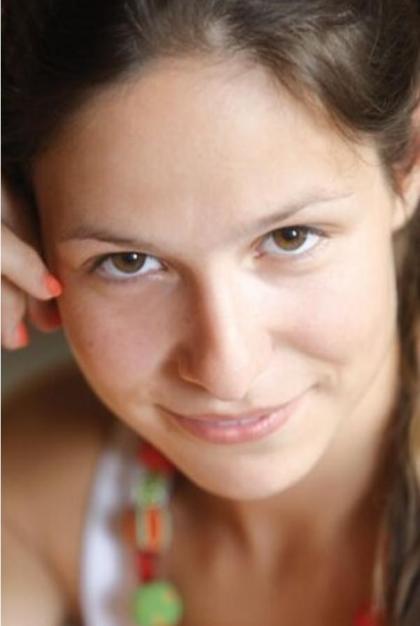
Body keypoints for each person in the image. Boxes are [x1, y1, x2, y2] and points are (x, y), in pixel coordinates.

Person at [2, 1, 420, 625]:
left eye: (290, 238)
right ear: (30, 233)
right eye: (129, 262)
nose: (227, 370)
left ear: (407, 162)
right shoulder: (31, 492)